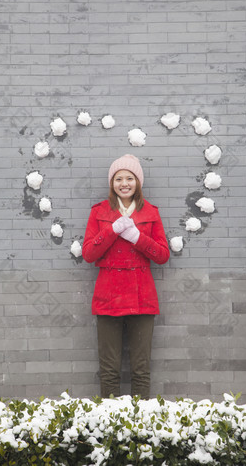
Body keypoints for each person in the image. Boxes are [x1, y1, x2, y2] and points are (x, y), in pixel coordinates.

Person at [82, 154, 170, 399]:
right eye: (118, 178)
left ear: (137, 182)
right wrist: (111, 231)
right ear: (112, 183)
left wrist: (136, 237)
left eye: (129, 178)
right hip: (108, 297)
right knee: (109, 370)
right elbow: (88, 253)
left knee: (141, 369)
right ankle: (111, 427)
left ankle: (141, 425)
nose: (124, 183)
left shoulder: (151, 212)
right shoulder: (99, 211)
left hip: (142, 297)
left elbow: (162, 255)